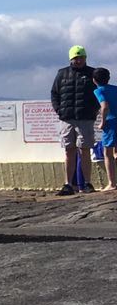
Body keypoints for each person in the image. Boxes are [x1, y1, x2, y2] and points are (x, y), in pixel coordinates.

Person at [53, 46, 100, 195]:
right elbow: (54, 93)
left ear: (85, 58)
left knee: (85, 150)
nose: (79, 60)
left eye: (81, 58)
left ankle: (87, 183)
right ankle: (68, 184)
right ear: (71, 59)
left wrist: (93, 111)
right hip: (67, 118)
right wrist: (59, 110)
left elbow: (99, 93)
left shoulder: (92, 73)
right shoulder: (62, 73)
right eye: (76, 58)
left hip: (85, 118)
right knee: (69, 150)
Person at [95, 67, 117, 193]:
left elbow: (104, 106)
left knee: (108, 153)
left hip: (110, 122)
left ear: (94, 80)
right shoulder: (115, 88)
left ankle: (112, 183)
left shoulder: (99, 91)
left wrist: (102, 122)